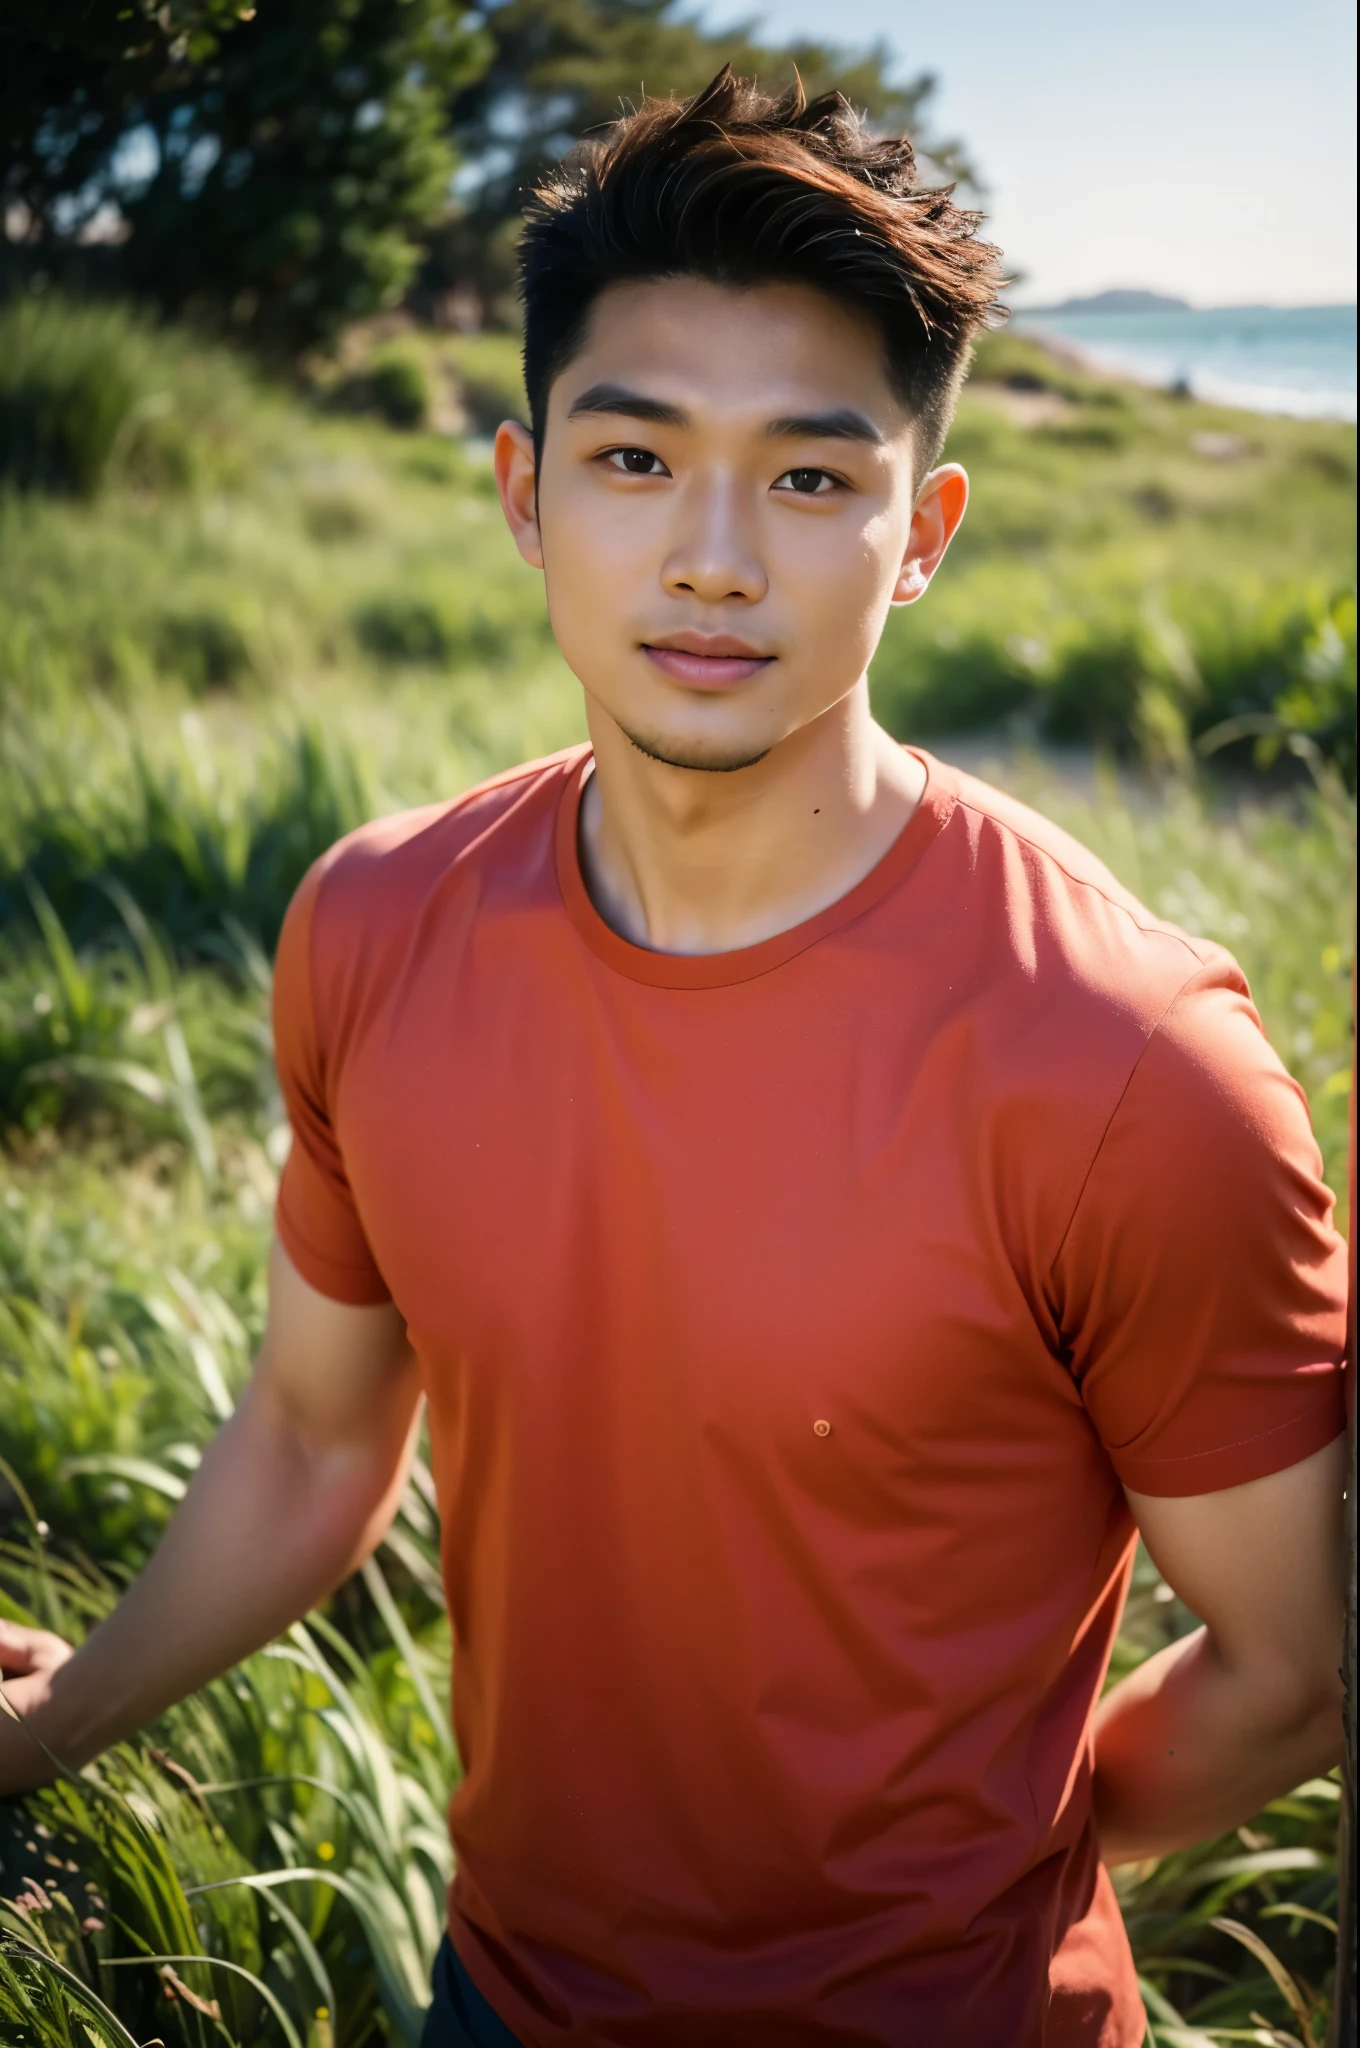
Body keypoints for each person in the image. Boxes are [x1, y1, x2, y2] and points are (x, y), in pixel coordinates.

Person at [0, 68, 1348, 2048]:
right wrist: (58, 1719)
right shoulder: (373, 927)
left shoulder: (1129, 1066)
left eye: (810, 478)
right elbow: (309, 1438)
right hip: (502, 2000)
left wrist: (977, 1872)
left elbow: (1299, 1665)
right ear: (523, 491)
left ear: (921, 533)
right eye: (633, 460)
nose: (711, 557)